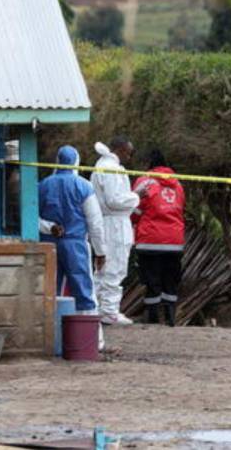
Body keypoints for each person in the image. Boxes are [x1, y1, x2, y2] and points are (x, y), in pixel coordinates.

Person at [39, 145, 107, 315]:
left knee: (49, 291)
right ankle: (90, 338)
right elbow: (95, 223)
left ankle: (54, 336)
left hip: (48, 244)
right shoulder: (83, 186)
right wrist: (100, 251)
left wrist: (50, 228)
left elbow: (30, 217)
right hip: (76, 245)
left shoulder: (43, 185)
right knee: (84, 291)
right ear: (76, 162)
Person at [132, 150, 185, 326]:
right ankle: (171, 317)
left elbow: (134, 209)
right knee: (170, 280)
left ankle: (154, 318)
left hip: (150, 240)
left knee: (151, 279)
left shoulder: (144, 182)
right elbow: (180, 208)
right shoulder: (177, 184)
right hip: (174, 241)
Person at [92, 137, 140, 326]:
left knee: (104, 268)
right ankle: (109, 310)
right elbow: (114, 200)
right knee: (114, 267)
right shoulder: (111, 169)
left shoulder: (102, 166)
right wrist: (137, 196)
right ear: (120, 150)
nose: (129, 157)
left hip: (111, 222)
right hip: (115, 225)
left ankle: (96, 308)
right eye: (129, 152)